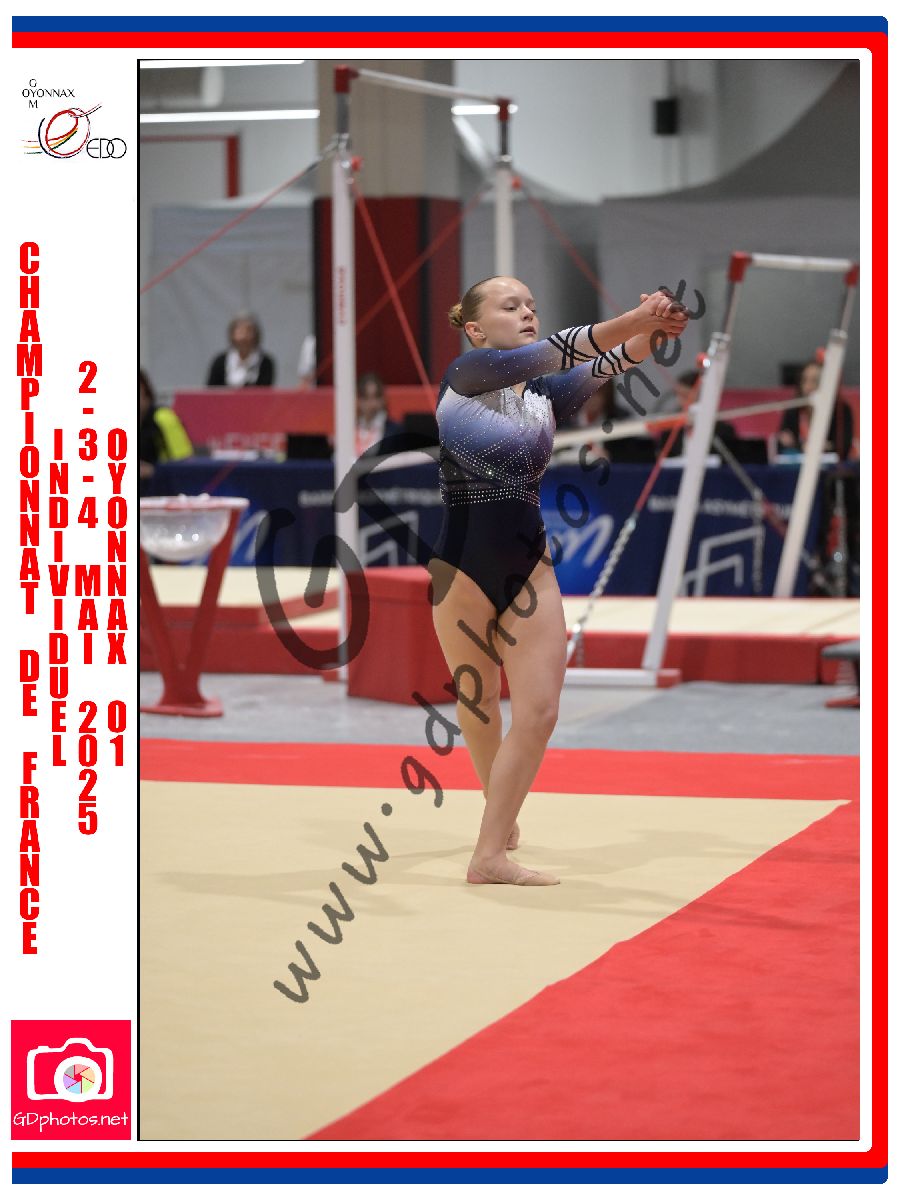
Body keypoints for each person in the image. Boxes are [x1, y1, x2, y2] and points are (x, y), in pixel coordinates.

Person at [428, 276, 688, 886]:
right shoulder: (466, 374)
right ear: (475, 328)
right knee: (479, 702)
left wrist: (654, 327)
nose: (527, 312)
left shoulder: (541, 394)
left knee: (540, 709)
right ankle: (499, 813)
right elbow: (568, 348)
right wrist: (634, 318)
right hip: (461, 567)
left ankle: (488, 855)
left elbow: (613, 361)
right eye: (511, 306)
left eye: (531, 305)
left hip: (530, 566)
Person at [777, 359, 854, 460]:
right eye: (804, 380)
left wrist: (797, 445)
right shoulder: (793, 410)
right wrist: (803, 447)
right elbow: (782, 444)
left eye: (814, 381)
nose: (808, 386)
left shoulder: (841, 410)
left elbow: (843, 447)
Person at [139, 368, 193, 485]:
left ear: (145, 393)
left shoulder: (163, 417)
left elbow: (184, 463)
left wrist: (153, 471)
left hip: (163, 486)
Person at [206, 313, 276, 387]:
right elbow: (210, 390)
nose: (244, 336)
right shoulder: (220, 362)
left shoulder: (265, 362)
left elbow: (264, 389)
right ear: (232, 334)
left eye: (248, 331)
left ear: (256, 334)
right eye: (240, 331)